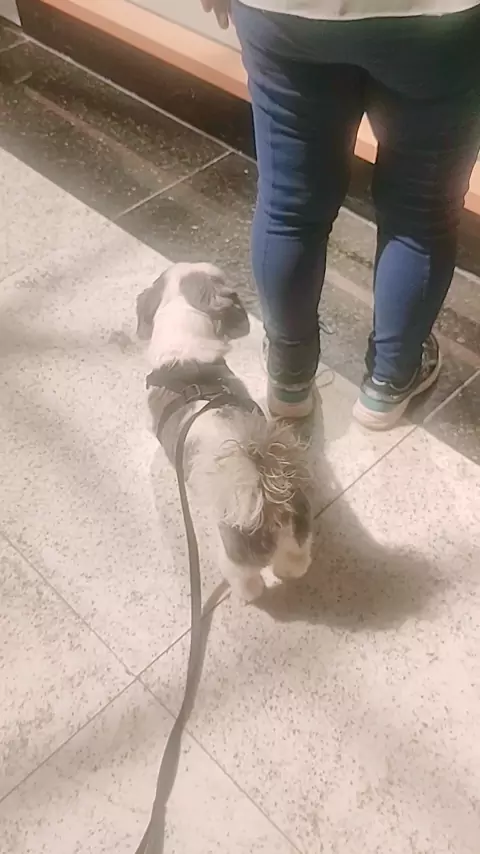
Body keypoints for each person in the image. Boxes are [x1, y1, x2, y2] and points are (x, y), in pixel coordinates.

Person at [201, 0, 480, 428]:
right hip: (440, 21)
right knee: (421, 213)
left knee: (288, 207)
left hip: (284, 14)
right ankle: (389, 383)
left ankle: (289, 375)